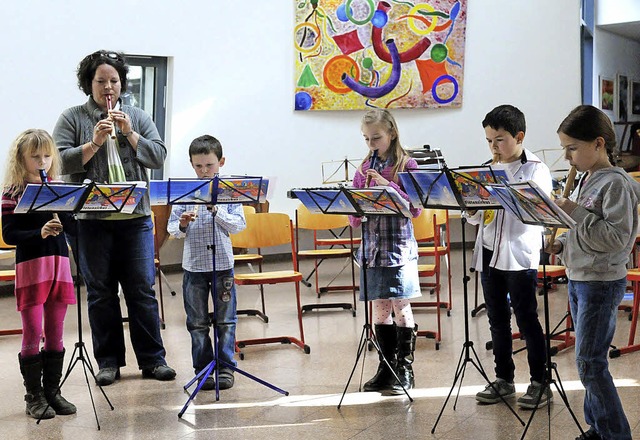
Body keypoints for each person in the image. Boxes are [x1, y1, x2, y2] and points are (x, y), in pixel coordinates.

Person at [52, 50, 175, 386]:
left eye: (114, 81)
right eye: (100, 81)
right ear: (88, 84)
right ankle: (108, 362)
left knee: (141, 290)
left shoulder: (136, 114)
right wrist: (93, 143)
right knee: (100, 292)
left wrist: (131, 135)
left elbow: (159, 155)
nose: (108, 88)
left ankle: (153, 360)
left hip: (135, 219)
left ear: (122, 83)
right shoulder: (73, 117)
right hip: (91, 222)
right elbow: (60, 162)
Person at [549, 105, 637, 440]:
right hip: (580, 276)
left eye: (572, 148)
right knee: (588, 361)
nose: (568, 157)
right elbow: (585, 232)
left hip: (601, 282)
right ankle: (598, 428)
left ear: (598, 143)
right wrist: (562, 243)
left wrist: (575, 214)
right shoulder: (589, 178)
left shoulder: (615, 184)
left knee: (590, 361)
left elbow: (616, 240)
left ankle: (616, 434)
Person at [467, 105, 553, 409]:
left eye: (499, 140)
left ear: (519, 136)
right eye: (489, 140)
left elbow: (537, 215)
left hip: (519, 254)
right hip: (488, 251)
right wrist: (471, 204)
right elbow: (477, 218)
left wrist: (504, 194)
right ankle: (504, 379)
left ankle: (540, 382)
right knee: (497, 320)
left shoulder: (536, 170)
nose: (493, 147)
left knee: (527, 319)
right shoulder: (486, 168)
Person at [1, 129, 77, 419]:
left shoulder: (57, 187)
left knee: (56, 333)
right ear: (21, 159)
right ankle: (33, 396)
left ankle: (52, 392)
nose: (42, 162)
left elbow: (71, 228)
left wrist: (70, 213)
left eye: (47, 156)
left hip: (58, 266)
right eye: (35, 157)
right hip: (32, 267)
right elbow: (9, 234)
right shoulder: (13, 192)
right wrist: (40, 231)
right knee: (33, 332)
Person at [349, 108, 422, 395]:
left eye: (376, 137)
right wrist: (357, 203)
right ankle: (385, 366)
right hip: (371, 250)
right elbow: (355, 220)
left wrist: (388, 187)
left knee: (400, 306)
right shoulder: (363, 168)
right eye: (366, 138)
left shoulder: (408, 165)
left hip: (398, 249)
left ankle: (405, 368)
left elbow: (415, 208)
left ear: (391, 133)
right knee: (378, 309)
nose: (371, 144)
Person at [167, 135, 246, 390]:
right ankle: (203, 370)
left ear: (221, 162)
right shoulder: (184, 191)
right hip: (194, 267)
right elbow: (172, 228)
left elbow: (238, 225)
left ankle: (225, 368)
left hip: (222, 264)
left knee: (226, 320)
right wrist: (182, 223)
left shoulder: (229, 191)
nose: (203, 171)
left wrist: (216, 210)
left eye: (209, 166)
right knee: (197, 323)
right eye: (198, 166)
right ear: (191, 164)